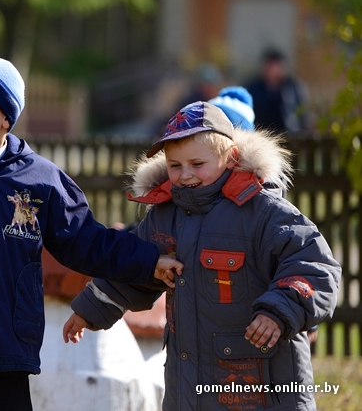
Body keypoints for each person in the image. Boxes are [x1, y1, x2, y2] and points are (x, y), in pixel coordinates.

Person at [0, 56, 184, 411]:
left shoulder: (41, 178)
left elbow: (86, 241)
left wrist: (148, 261)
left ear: (6, 114)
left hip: (10, 351)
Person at [62, 101, 341, 410]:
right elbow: (134, 270)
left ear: (231, 157)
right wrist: (89, 310)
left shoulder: (262, 212)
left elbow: (315, 267)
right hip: (189, 386)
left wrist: (278, 311)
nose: (185, 175)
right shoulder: (163, 217)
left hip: (262, 388)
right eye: (175, 165)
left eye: (197, 164)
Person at [245, 49, 310, 134]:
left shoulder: (294, 88)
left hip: (291, 135)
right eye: (271, 66)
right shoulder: (253, 89)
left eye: (277, 66)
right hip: (263, 137)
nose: (274, 70)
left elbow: (304, 115)